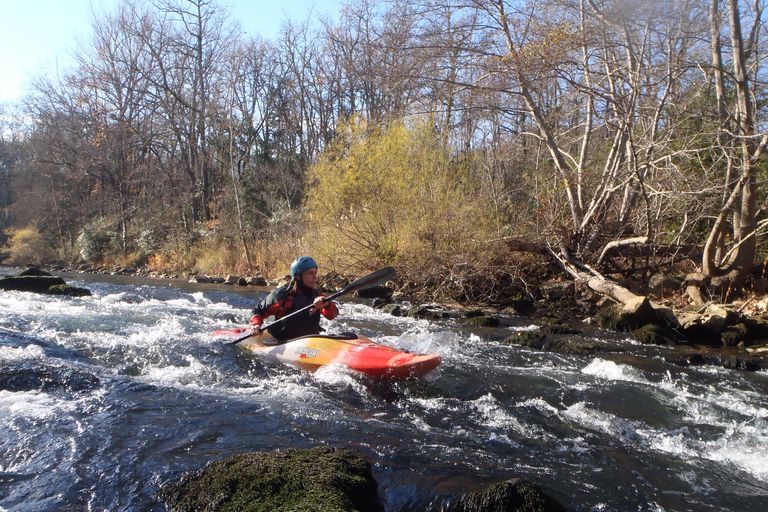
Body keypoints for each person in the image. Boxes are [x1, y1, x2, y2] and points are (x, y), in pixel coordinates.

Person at [250, 256, 339, 341]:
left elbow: (333, 315)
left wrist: (327, 304)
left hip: (311, 340)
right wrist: (256, 324)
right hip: (282, 341)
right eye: (310, 273)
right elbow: (257, 310)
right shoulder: (282, 295)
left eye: (315, 272)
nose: (315, 277)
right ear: (298, 276)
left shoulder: (317, 296)